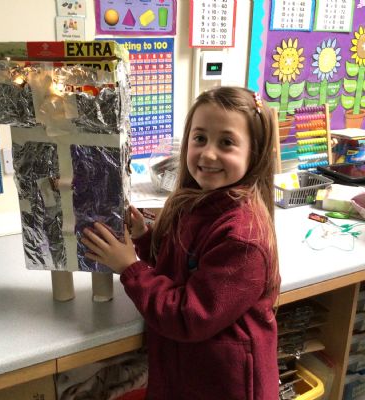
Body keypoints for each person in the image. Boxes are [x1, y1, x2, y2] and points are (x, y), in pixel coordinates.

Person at [82, 86, 280, 400]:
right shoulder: (201, 202)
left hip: (225, 386)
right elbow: (183, 265)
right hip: (188, 372)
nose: (208, 153)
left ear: (253, 153)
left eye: (226, 142)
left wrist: (131, 269)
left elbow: (189, 316)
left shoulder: (243, 239)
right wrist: (143, 238)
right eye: (200, 138)